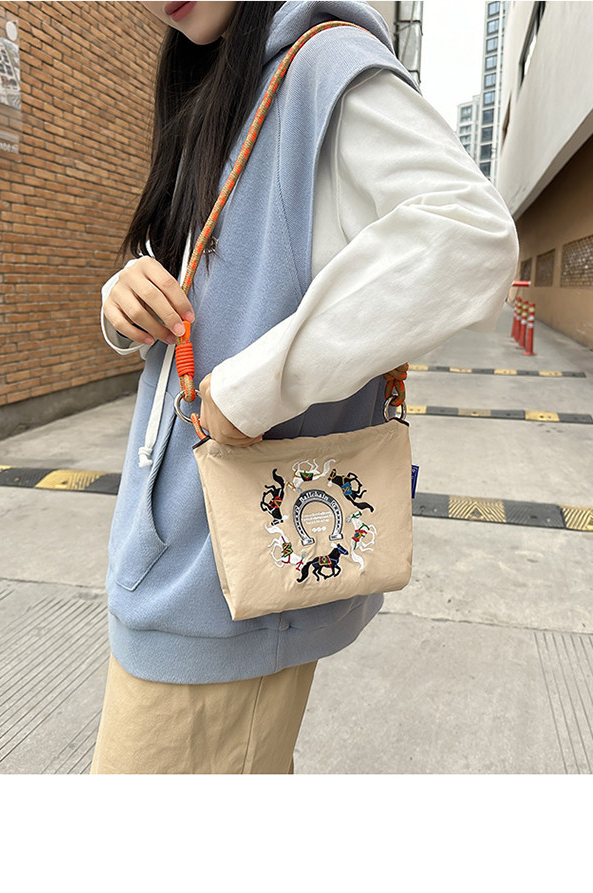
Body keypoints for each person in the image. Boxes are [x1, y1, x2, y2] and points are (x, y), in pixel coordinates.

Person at [90, 0, 519, 774]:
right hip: (175, 570)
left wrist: (252, 389)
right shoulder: (220, 86)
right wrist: (124, 300)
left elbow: (469, 238)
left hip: (222, 589)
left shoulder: (322, 67)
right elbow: (205, 286)